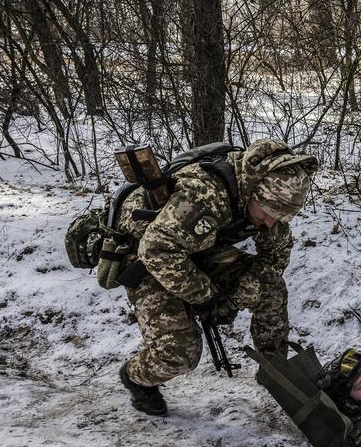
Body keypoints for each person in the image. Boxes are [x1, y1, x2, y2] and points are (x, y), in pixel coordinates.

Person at [116, 138, 315, 416]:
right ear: (253, 192)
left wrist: (239, 294)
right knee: (179, 353)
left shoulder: (269, 203)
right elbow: (156, 250)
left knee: (271, 288)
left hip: (198, 249)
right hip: (147, 258)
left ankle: (275, 368)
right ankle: (135, 377)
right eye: (270, 214)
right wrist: (206, 297)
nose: (272, 223)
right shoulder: (203, 195)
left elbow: (275, 258)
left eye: (282, 218)